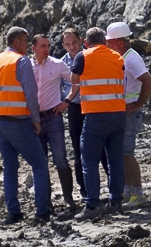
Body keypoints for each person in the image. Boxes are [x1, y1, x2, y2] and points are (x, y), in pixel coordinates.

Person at [0, 27, 53, 225]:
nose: (28, 46)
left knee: (10, 166)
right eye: (26, 41)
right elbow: (30, 92)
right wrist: (36, 119)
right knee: (39, 164)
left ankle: (13, 212)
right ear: (17, 42)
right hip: (19, 121)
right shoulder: (21, 61)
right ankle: (42, 211)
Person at [66, 27, 126, 219]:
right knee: (115, 160)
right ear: (105, 41)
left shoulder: (83, 56)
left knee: (89, 161)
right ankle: (116, 201)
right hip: (117, 114)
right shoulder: (117, 56)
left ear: (86, 42)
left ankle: (92, 205)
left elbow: (74, 79)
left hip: (95, 115)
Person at [105, 21, 151, 207]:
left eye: (110, 42)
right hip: (123, 111)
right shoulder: (123, 57)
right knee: (122, 154)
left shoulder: (131, 59)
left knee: (127, 154)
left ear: (119, 42)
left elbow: (148, 82)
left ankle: (138, 194)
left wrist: (137, 104)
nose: (107, 45)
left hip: (130, 113)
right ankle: (128, 191)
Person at [31, 33, 77, 216]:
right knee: (40, 163)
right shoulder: (26, 66)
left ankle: (69, 199)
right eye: (42, 46)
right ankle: (45, 202)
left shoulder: (57, 65)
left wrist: (67, 100)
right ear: (33, 48)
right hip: (34, 119)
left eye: (48, 45)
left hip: (53, 117)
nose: (46, 49)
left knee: (60, 159)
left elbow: (76, 82)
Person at [60, 28, 87, 203]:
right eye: (68, 44)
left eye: (74, 42)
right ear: (63, 46)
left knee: (102, 149)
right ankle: (84, 189)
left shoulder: (90, 57)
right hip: (75, 108)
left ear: (81, 40)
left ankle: (113, 187)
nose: (72, 47)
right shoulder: (61, 64)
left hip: (94, 106)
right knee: (78, 149)